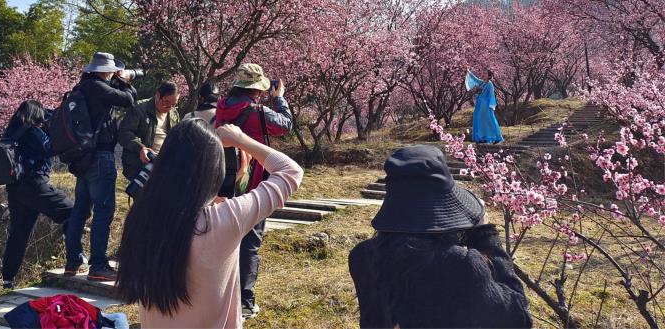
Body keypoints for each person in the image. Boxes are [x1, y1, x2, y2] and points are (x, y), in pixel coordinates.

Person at [115, 120, 303, 328]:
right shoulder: (226, 220)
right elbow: (290, 172)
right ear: (214, 173)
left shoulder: (141, 220)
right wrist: (241, 140)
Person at [348, 145, 532, 329]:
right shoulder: (461, 264)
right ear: (444, 206)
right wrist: (485, 235)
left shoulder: (362, 256)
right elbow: (518, 319)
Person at [215, 63, 292, 320]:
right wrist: (279, 98)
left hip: (224, 183)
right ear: (257, 89)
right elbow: (285, 125)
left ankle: (222, 297)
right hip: (252, 182)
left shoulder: (222, 107)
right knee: (250, 242)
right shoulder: (256, 112)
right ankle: (245, 301)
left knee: (225, 239)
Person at [64, 52, 136, 282]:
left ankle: (73, 262)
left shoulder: (81, 87)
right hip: (100, 157)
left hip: (83, 158)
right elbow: (129, 100)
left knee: (80, 210)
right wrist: (124, 81)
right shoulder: (98, 87)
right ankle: (98, 265)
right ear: (106, 70)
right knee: (103, 211)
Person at [1, 100, 73, 289]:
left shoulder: (11, 130)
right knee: (73, 212)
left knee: (18, 233)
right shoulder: (33, 131)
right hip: (34, 185)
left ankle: (7, 279)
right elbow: (50, 149)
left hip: (15, 189)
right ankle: (75, 258)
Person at [118, 81, 180, 185]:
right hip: (141, 165)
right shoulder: (139, 108)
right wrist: (140, 148)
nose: (169, 107)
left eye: (174, 104)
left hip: (163, 167)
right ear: (158, 95)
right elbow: (124, 133)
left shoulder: (174, 114)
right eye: (166, 102)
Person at [466, 69, 504, 144]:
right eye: (483, 73)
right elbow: (475, 79)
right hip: (479, 104)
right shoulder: (483, 83)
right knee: (480, 120)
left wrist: (491, 105)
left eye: (485, 74)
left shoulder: (490, 84)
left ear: (489, 76)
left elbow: (491, 95)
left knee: (489, 120)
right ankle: (482, 137)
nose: (483, 74)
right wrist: (469, 72)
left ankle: (497, 137)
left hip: (486, 105)